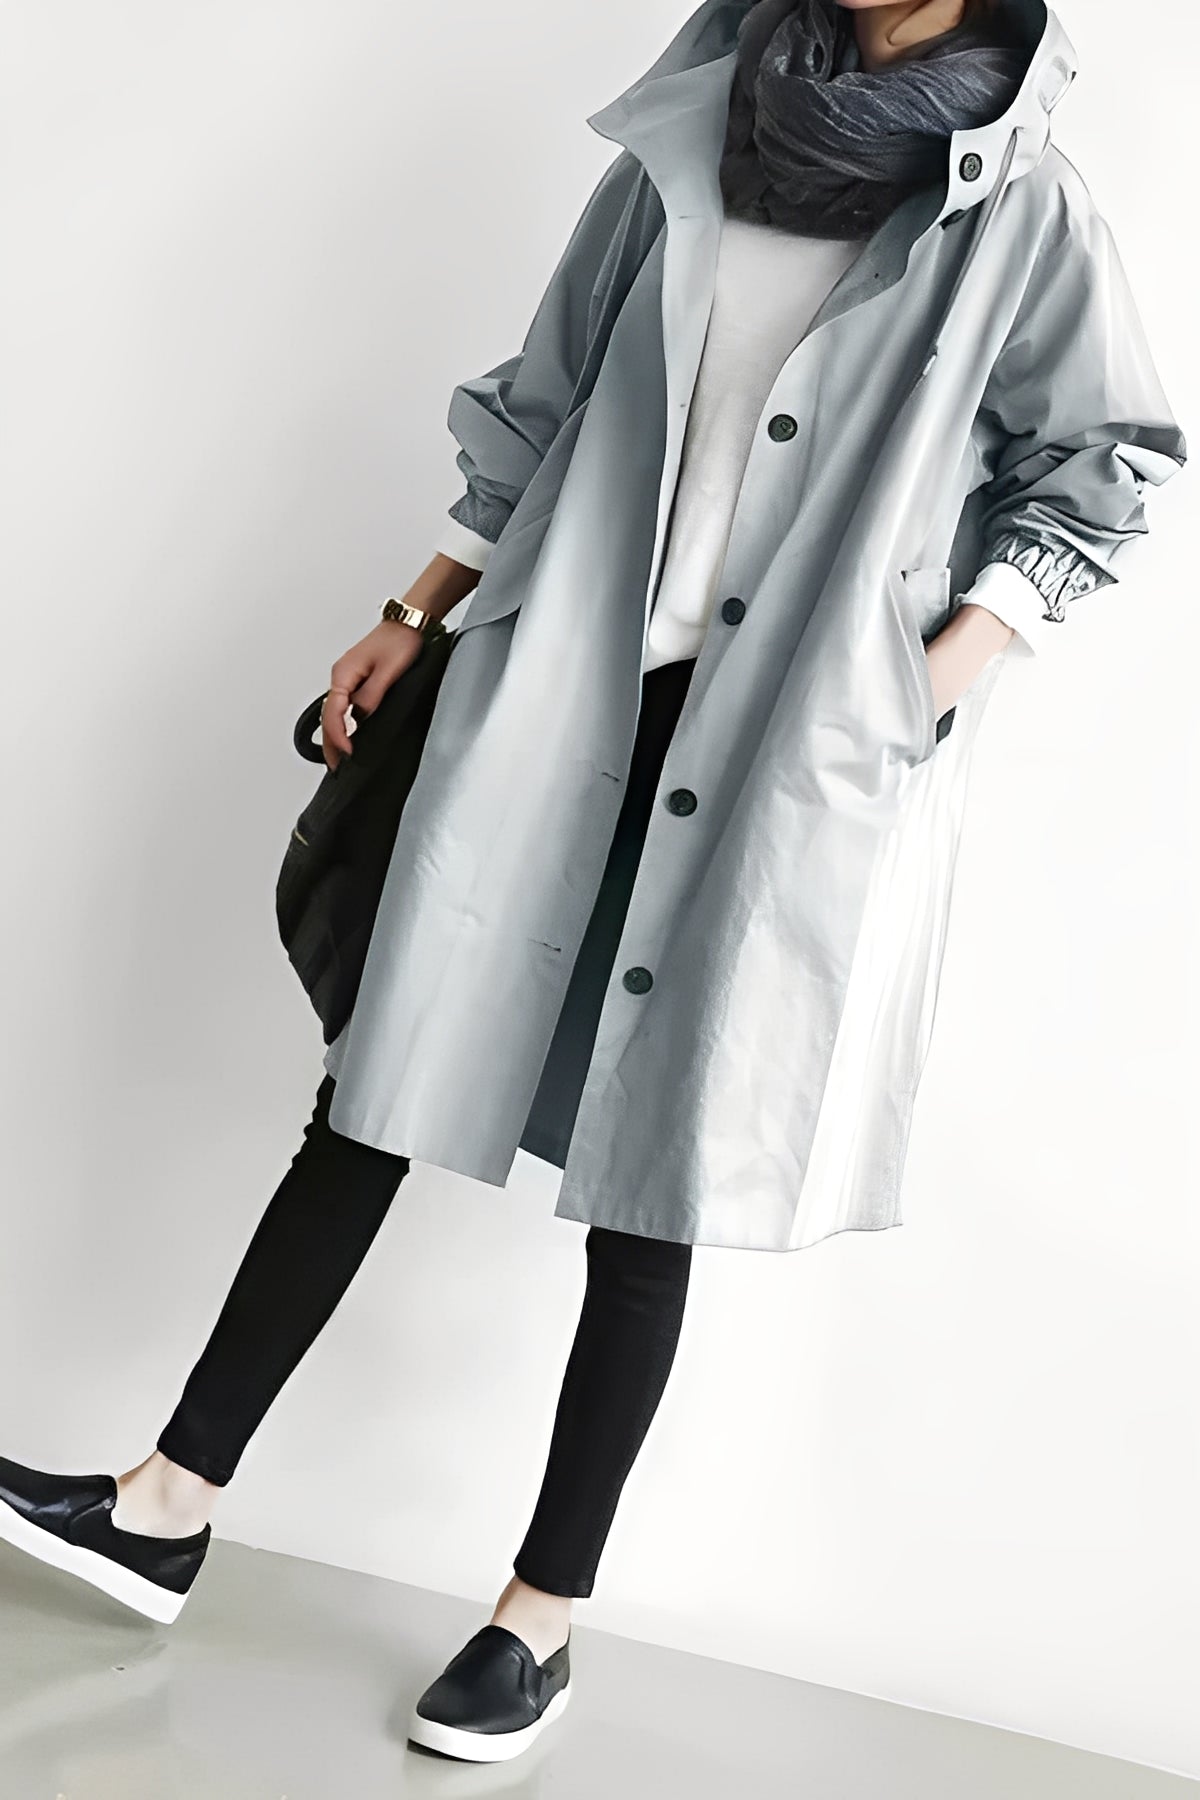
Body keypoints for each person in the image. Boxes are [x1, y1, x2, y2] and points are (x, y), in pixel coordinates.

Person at [0, 0, 1185, 1768]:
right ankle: (167, 1505)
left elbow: (1104, 468)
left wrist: (922, 686)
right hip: (568, 681)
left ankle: (538, 1619)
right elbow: (546, 391)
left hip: (782, 739)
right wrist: (413, 610)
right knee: (379, 1082)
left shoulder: (1022, 205)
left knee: (654, 1171)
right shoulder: (697, 127)